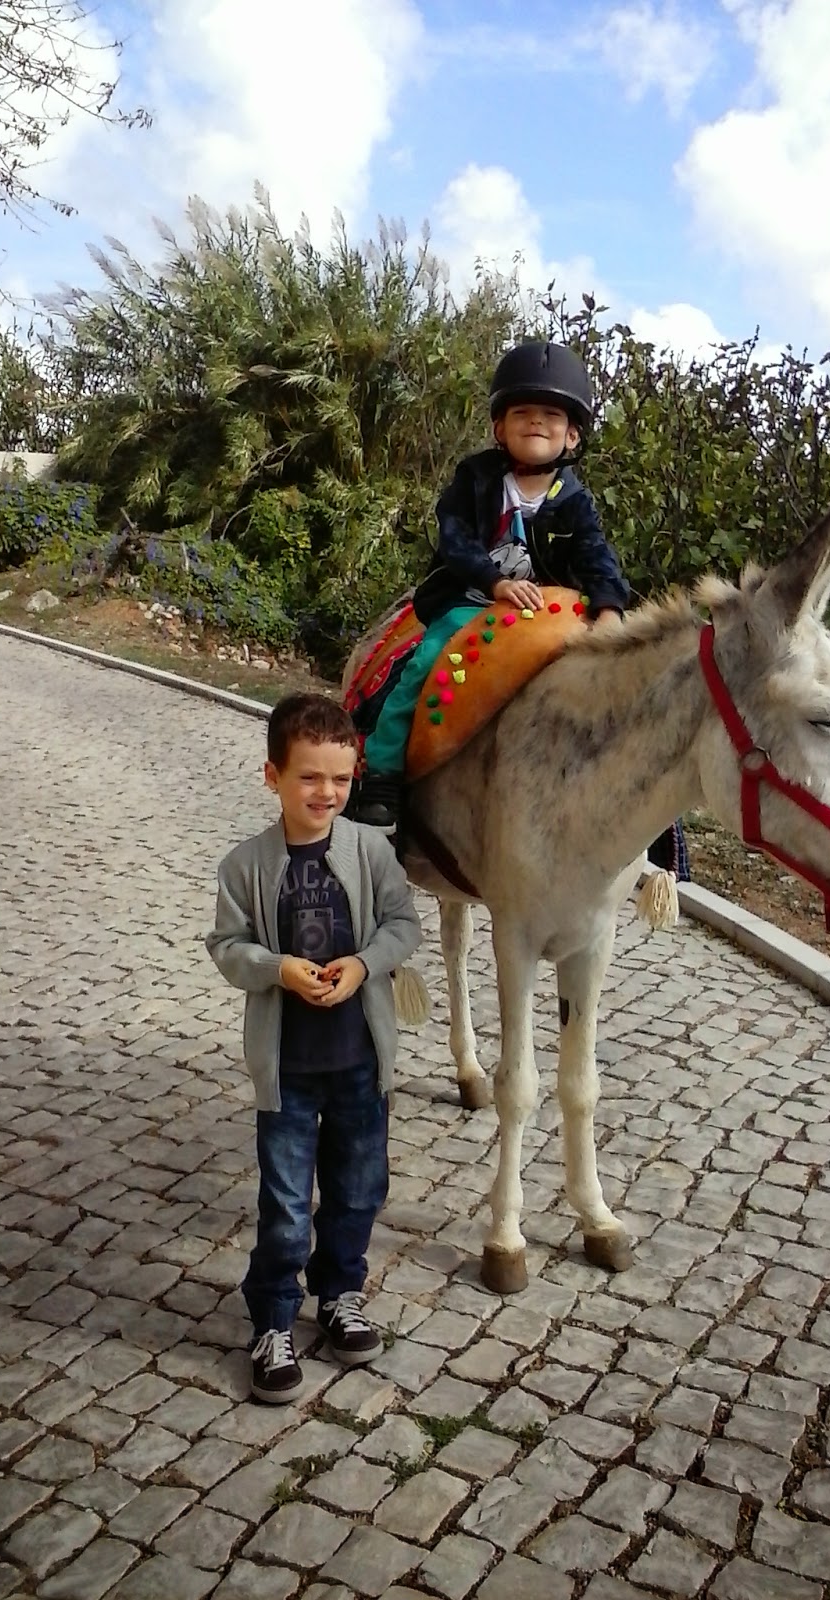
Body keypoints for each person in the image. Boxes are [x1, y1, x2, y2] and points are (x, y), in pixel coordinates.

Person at [206, 693, 422, 1403]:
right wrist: (278, 969)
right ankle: (273, 1319)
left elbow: (402, 926)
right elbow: (228, 948)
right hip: (288, 1073)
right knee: (286, 1207)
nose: (326, 792)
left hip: (360, 1063)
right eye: (308, 777)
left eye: (340, 778)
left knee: (358, 1193)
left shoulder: (371, 852)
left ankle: (339, 1295)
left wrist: (363, 964)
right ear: (273, 776)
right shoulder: (245, 866)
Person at [354, 340, 629, 829]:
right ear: (499, 427)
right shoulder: (476, 479)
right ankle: (382, 771)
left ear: (572, 435)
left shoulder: (576, 502)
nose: (536, 421)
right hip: (472, 603)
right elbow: (455, 539)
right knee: (425, 665)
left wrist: (609, 610)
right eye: (522, 412)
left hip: (543, 618)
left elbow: (596, 557)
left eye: (551, 414)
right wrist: (495, 581)